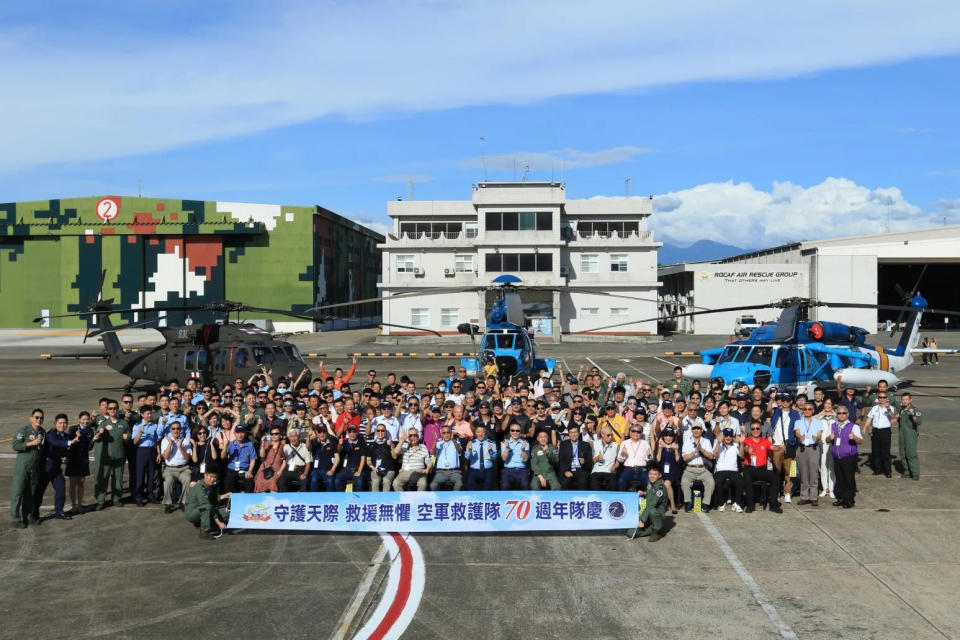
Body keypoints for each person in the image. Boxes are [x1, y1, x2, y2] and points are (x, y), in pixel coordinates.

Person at [93, 400, 130, 510]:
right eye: (110, 408)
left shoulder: (124, 423)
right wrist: (99, 433)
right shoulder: (103, 423)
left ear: (118, 409)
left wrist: (127, 436)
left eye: (114, 408)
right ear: (107, 410)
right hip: (107, 456)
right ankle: (100, 500)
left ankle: (116, 499)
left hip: (119, 455)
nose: (113, 410)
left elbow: (129, 434)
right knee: (103, 478)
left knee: (118, 478)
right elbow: (96, 437)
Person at [34, 413, 72, 521]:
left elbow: (66, 451)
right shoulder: (51, 434)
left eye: (65, 423)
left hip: (56, 468)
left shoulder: (66, 436)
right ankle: (34, 514)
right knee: (39, 492)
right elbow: (56, 443)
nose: (62, 425)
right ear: (55, 424)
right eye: (60, 423)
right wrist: (70, 442)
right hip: (45, 469)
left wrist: (65, 458)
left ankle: (59, 512)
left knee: (61, 489)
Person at [10, 409, 45, 528]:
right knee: (18, 492)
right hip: (23, 466)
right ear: (31, 418)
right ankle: (15, 518)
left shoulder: (42, 432)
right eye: (36, 417)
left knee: (30, 493)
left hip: (35, 467)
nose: (38, 420)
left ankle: (27, 516)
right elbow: (15, 445)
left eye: (41, 418)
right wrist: (30, 444)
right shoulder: (24, 431)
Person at [741, 420, 781, 513]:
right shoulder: (746, 440)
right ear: (750, 430)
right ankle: (750, 505)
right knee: (747, 478)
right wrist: (747, 449)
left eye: (757, 428)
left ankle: (773, 505)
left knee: (775, 478)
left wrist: (778, 447)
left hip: (761, 469)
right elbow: (745, 449)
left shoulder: (765, 440)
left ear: (761, 430)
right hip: (749, 469)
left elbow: (772, 448)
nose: (755, 430)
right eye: (753, 429)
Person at [826, 407, 862, 508]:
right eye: (839, 413)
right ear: (836, 414)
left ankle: (849, 499)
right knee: (840, 478)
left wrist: (854, 437)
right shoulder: (833, 425)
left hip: (849, 456)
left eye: (844, 413)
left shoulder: (853, 426)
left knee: (849, 478)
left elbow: (860, 441)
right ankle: (841, 498)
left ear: (847, 414)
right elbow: (827, 440)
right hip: (837, 457)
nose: (841, 415)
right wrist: (830, 438)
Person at [769, 392, 799, 503]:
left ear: (791, 402)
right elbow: (768, 411)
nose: (785, 402)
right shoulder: (776, 411)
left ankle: (787, 492)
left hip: (789, 444)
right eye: (783, 400)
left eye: (787, 400)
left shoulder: (795, 414)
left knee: (789, 471)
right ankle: (776, 492)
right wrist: (772, 399)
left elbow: (797, 428)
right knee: (776, 471)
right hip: (776, 444)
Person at [185, 469, 231, 540]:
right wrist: (219, 523)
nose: (213, 479)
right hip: (192, 513)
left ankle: (205, 523)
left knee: (226, 515)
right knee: (207, 507)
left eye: (215, 477)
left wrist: (224, 496)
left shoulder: (208, 486)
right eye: (211, 477)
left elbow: (214, 499)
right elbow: (207, 506)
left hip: (204, 509)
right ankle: (204, 532)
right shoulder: (200, 487)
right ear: (205, 475)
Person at [794, 404, 824, 506]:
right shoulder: (798, 421)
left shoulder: (818, 422)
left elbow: (820, 434)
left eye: (809, 409)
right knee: (804, 473)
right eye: (805, 409)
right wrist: (800, 436)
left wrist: (817, 438)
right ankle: (804, 496)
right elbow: (797, 432)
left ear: (813, 410)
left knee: (814, 473)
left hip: (813, 448)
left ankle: (814, 497)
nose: (807, 411)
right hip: (802, 448)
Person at [680, 423, 715, 512]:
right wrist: (695, 451)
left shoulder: (706, 441)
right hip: (690, 469)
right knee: (684, 482)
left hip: (703, 469)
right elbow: (684, 458)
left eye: (698, 429)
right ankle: (688, 503)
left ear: (702, 430)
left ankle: (705, 504)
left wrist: (702, 450)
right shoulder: (687, 441)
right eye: (694, 429)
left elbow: (711, 456)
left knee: (711, 482)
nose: (696, 430)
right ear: (691, 430)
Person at [627, 466, 668, 540]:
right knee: (630, 533)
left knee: (652, 511)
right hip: (647, 512)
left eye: (655, 474)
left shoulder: (660, 489)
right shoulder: (650, 482)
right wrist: (644, 493)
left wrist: (642, 520)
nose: (652, 476)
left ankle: (657, 530)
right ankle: (650, 528)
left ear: (660, 475)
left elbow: (652, 505)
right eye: (650, 474)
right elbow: (650, 493)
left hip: (657, 513)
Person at [160, 423, 193, 512]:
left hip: (183, 468)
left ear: (180, 429)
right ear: (170, 430)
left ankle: (183, 502)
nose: (176, 430)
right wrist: (170, 443)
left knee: (188, 478)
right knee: (168, 481)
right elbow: (165, 456)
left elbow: (187, 457)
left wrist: (180, 447)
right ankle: (168, 504)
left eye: (178, 428)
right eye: (173, 428)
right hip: (170, 469)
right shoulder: (165, 440)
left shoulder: (185, 441)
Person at [864, 391, 897, 478]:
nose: (882, 399)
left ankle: (887, 471)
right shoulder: (874, 408)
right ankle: (878, 469)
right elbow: (869, 418)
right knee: (876, 451)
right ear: (878, 399)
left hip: (885, 431)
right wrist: (864, 427)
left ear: (887, 398)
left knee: (885, 452)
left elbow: (893, 417)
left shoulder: (890, 408)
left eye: (883, 397)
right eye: (880, 398)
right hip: (876, 431)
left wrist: (888, 408)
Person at [66, 411, 93, 514]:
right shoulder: (73, 429)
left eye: (87, 419)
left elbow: (90, 447)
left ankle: (80, 505)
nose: (85, 421)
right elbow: (70, 444)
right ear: (79, 419)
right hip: (73, 459)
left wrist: (93, 440)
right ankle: (73, 505)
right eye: (83, 419)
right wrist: (76, 437)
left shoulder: (90, 430)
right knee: (73, 483)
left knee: (81, 483)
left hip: (83, 459)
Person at [131, 406, 159, 506]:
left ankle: (150, 494)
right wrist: (140, 433)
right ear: (142, 415)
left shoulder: (154, 425)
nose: (149, 415)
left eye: (150, 413)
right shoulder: (138, 425)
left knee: (151, 474)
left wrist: (158, 453)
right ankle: (138, 497)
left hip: (151, 450)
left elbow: (156, 440)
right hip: (141, 450)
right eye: (147, 414)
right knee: (140, 474)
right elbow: (134, 441)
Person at [712, 429, 744, 513]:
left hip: (733, 470)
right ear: (723, 436)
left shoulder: (736, 445)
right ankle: (721, 503)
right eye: (726, 435)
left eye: (730, 435)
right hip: (720, 470)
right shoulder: (718, 444)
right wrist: (719, 443)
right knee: (718, 481)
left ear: (733, 437)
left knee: (740, 481)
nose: (728, 437)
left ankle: (737, 503)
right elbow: (714, 455)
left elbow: (741, 456)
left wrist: (742, 444)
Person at [617, 424, 652, 491]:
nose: (635, 433)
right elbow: (620, 459)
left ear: (641, 433)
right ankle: (622, 500)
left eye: (638, 432)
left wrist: (648, 455)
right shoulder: (625, 443)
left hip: (642, 470)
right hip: (628, 469)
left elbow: (650, 459)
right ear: (630, 432)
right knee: (621, 481)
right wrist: (623, 453)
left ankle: (649, 500)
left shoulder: (645, 443)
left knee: (649, 483)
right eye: (633, 431)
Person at [224, 426, 257, 494]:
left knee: (250, 480)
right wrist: (225, 447)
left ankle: (248, 501)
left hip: (245, 470)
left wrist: (249, 471)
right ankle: (230, 501)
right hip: (232, 469)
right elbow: (223, 457)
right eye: (238, 432)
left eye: (242, 432)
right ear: (234, 433)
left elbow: (253, 460)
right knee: (228, 480)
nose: (240, 435)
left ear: (245, 433)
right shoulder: (231, 444)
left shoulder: (250, 444)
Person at [558, 424, 592, 489]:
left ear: (579, 433)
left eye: (575, 432)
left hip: (581, 470)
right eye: (571, 432)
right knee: (566, 482)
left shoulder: (586, 445)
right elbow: (561, 461)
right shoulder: (564, 444)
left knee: (583, 482)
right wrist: (565, 471)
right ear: (569, 433)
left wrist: (584, 462)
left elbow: (590, 463)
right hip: (568, 469)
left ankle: (581, 499)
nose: (573, 434)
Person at [655, 428, 681, 514]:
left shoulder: (676, 445)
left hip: (673, 470)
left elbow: (678, 461)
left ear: (673, 437)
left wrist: (676, 450)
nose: (668, 437)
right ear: (662, 436)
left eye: (670, 435)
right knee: (661, 483)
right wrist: (660, 449)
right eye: (666, 435)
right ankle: (664, 504)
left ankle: (672, 505)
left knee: (666, 483)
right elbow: (657, 460)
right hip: (661, 470)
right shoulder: (659, 444)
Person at [464, 425, 497, 490]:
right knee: (470, 487)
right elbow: (467, 458)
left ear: (485, 433)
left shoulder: (491, 443)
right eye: (478, 432)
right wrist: (470, 450)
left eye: (482, 432)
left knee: (488, 489)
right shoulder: (471, 443)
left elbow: (494, 458)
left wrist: (490, 451)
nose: (480, 434)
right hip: (474, 470)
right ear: (475, 433)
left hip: (488, 470)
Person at [897, 392, 922, 480]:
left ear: (911, 400)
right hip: (902, 434)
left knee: (911, 454)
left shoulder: (915, 410)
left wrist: (913, 415)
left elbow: (918, 422)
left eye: (906, 399)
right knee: (903, 454)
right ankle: (907, 472)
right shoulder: (902, 409)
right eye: (903, 399)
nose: (904, 401)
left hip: (910, 435)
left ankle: (915, 473)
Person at [430, 426, 463, 490]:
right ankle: (440, 499)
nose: (446, 434)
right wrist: (435, 442)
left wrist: (453, 440)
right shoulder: (438, 443)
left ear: (451, 433)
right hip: (441, 472)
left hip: (454, 471)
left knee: (460, 484)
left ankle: (454, 499)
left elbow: (459, 450)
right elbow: (433, 454)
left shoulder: (456, 443)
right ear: (441, 434)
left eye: (448, 432)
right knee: (433, 485)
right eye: (444, 433)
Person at [334, 426, 367, 491]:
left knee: (359, 481)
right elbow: (338, 450)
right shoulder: (344, 442)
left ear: (357, 432)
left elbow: (363, 459)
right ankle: (341, 499)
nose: (351, 434)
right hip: (346, 469)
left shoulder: (362, 443)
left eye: (354, 432)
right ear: (347, 433)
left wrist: (359, 471)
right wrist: (340, 444)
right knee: (337, 480)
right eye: (349, 432)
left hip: (357, 469)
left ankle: (358, 500)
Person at [308, 426, 339, 492]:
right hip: (316, 470)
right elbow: (308, 447)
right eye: (319, 432)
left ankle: (331, 500)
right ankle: (314, 500)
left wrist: (332, 470)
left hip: (328, 470)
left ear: (327, 432)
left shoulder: (333, 443)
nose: (322, 434)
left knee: (330, 481)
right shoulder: (314, 442)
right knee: (314, 480)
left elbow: (337, 458)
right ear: (317, 434)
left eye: (324, 431)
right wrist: (308, 437)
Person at [500, 423, 531, 490]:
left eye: (517, 430)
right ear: (510, 431)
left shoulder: (525, 443)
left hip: (522, 470)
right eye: (513, 430)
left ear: (520, 432)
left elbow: (525, 459)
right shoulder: (504, 442)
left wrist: (523, 450)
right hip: (508, 470)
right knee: (505, 486)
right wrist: (507, 448)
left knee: (525, 486)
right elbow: (504, 459)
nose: (515, 432)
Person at [367, 424, 397, 491]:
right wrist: (373, 467)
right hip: (376, 469)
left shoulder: (390, 443)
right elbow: (368, 460)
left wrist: (391, 446)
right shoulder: (372, 445)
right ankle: (376, 500)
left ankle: (385, 500)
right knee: (375, 481)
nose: (380, 433)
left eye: (382, 431)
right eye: (378, 430)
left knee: (386, 480)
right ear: (376, 432)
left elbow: (394, 457)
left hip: (389, 469)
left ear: (385, 432)